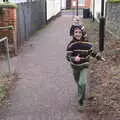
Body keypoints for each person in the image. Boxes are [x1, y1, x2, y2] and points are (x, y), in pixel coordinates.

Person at [66, 26, 105, 111]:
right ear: (73, 34)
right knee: (78, 82)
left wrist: (99, 58)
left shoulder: (87, 44)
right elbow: (68, 56)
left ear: (83, 33)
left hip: (84, 66)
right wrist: (73, 58)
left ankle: (81, 102)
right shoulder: (71, 45)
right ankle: (80, 91)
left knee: (82, 83)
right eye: (76, 32)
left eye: (80, 32)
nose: (78, 34)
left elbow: (92, 53)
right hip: (75, 67)